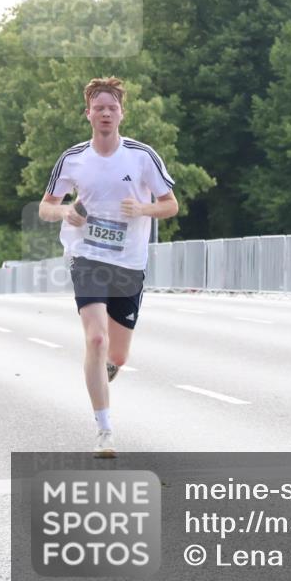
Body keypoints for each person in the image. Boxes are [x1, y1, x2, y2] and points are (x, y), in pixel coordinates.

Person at [38, 77, 178, 458]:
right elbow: (45, 206)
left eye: (111, 108)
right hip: (88, 257)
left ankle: (107, 369)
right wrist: (65, 210)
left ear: (121, 114)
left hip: (129, 263)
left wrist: (145, 209)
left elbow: (171, 204)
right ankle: (104, 430)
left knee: (117, 355)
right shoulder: (73, 159)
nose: (105, 113)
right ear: (88, 114)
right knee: (95, 340)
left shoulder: (142, 157)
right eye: (98, 107)